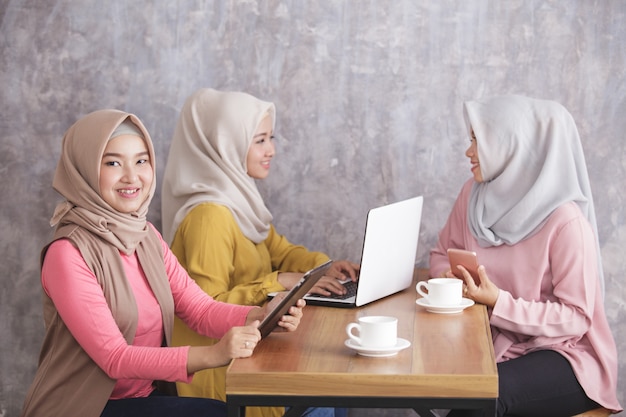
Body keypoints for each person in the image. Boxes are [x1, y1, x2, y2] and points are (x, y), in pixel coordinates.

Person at [20, 109, 305, 417]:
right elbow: (115, 358)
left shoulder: (144, 237)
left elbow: (200, 309)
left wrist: (259, 315)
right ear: (85, 170)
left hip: (143, 397)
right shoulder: (67, 253)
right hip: (83, 407)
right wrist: (214, 354)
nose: (132, 176)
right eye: (113, 162)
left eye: (141, 160)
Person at [161, 88, 359, 417]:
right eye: (260, 140)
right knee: (329, 387)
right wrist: (277, 282)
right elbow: (206, 308)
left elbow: (278, 249)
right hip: (225, 373)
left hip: (256, 349)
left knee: (334, 383)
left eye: (271, 138)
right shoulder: (208, 216)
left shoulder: (237, 200)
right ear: (228, 145)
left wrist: (324, 267)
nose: (272, 150)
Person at [429, 95, 622, 416]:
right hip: (493, 345)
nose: (469, 152)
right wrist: (452, 282)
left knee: (479, 400)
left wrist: (497, 302)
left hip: (564, 354)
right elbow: (440, 254)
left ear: (513, 146)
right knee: (450, 387)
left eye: (479, 141)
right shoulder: (472, 196)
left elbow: (575, 317)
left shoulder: (566, 222)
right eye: (471, 140)